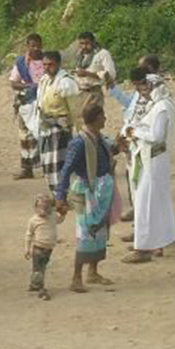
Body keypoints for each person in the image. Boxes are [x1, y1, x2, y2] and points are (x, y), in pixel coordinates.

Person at [57, 103, 117, 294]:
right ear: (96, 119)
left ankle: (92, 272)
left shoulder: (97, 138)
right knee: (85, 233)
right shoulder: (79, 142)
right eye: (103, 116)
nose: (105, 119)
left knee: (98, 232)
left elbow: (102, 157)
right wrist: (60, 196)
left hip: (99, 192)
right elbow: (66, 170)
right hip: (86, 192)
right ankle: (76, 277)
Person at [123, 72, 175, 263]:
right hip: (146, 157)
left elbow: (156, 135)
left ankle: (144, 247)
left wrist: (135, 132)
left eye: (147, 88)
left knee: (147, 202)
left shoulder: (162, 107)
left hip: (154, 158)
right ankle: (153, 243)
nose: (143, 92)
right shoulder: (154, 106)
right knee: (151, 202)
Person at [35, 49, 82, 199]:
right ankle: (55, 193)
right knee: (48, 164)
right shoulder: (44, 80)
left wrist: (72, 128)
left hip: (60, 129)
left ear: (58, 64)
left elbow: (75, 111)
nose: (47, 67)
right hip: (45, 126)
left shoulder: (66, 83)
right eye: (45, 65)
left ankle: (61, 195)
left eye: (50, 64)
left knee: (60, 163)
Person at [7, 34, 46, 180]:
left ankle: (46, 166)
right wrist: (31, 86)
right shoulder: (22, 62)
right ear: (27, 46)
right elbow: (13, 83)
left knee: (43, 133)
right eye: (32, 46)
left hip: (45, 102)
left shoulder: (47, 60)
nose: (35, 49)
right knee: (24, 136)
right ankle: (26, 168)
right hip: (26, 101)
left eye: (37, 46)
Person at [25, 195, 59, 301]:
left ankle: (34, 284)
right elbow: (28, 234)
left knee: (42, 267)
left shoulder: (53, 216)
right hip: (38, 247)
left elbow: (59, 220)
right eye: (40, 207)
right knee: (38, 269)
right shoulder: (33, 220)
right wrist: (27, 249)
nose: (43, 210)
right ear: (35, 208)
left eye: (46, 207)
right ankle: (41, 289)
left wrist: (64, 213)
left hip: (49, 247)